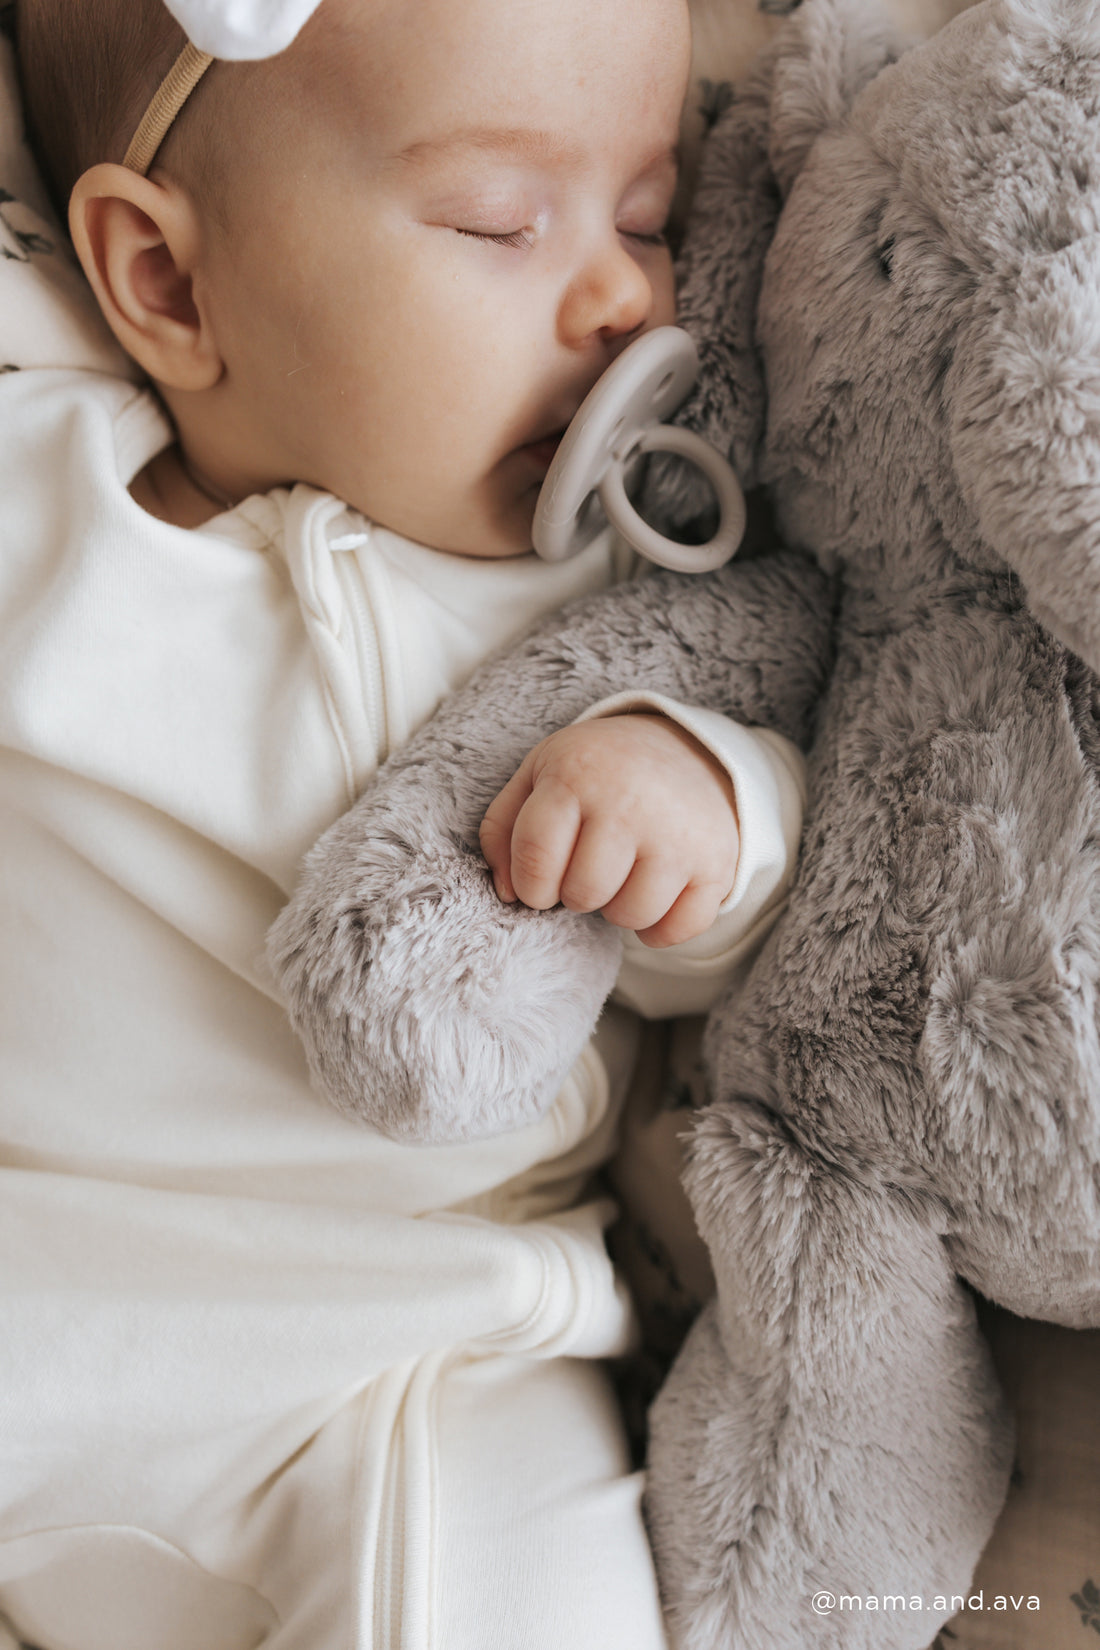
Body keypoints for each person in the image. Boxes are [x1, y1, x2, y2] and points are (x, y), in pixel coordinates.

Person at [0, 1, 805, 1645]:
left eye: (647, 215)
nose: (624, 296)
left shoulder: (611, 610)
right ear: (162, 283)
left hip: (414, 1368)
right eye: (502, 221)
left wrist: (700, 799)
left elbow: (712, 954)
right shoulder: (41, 493)